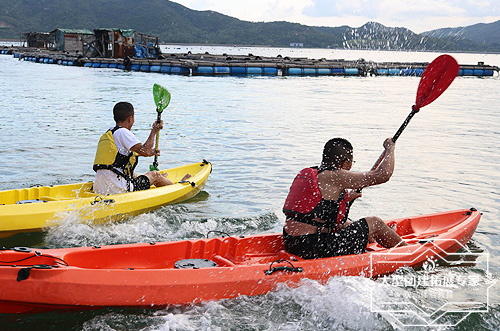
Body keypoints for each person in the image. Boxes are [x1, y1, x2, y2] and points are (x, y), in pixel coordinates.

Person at [282, 137, 407, 259]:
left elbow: (318, 211)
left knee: (349, 224)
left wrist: (346, 197)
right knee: (375, 223)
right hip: (313, 247)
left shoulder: (311, 173)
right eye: (352, 162)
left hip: (292, 242)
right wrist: (390, 148)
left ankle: (377, 236)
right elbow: (383, 175)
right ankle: (407, 251)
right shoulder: (335, 175)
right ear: (345, 162)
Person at [93, 102, 190, 194]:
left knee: (134, 174)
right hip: (118, 188)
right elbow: (145, 150)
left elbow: (130, 155)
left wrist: (150, 147)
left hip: (100, 187)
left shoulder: (110, 133)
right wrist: (154, 131)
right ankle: (175, 187)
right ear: (130, 118)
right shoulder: (123, 132)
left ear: (115, 118)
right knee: (155, 175)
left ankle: (161, 179)